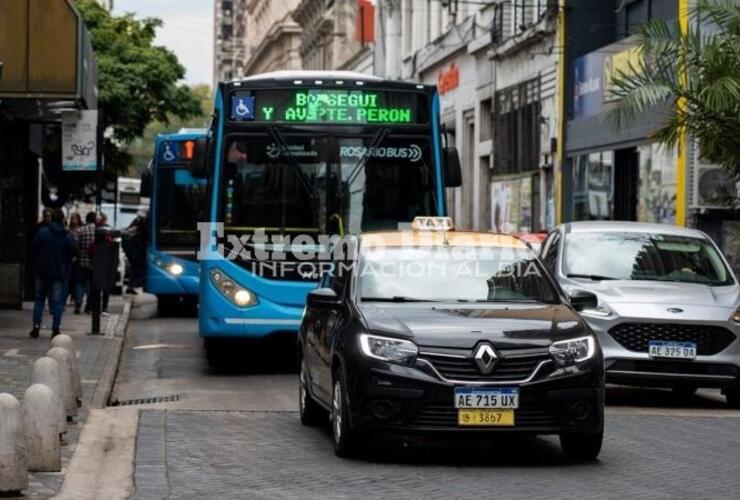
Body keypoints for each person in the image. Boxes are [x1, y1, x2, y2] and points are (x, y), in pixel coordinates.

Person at [29, 208, 73, 339]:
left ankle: (36, 327)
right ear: (62, 219)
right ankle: (55, 329)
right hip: (58, 273)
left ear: (51, 218)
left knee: (39, 300)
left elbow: (33, 249)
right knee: (57, 302)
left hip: (42, 271)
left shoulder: (42, 233)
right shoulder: (66, 236)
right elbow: (70, 253)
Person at [76, 212, 97, 314]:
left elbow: (76, 246)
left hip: (82, 262)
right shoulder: (97, 231)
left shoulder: (81, 230)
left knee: (80, 284)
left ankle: (78, 304)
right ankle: (89, 306)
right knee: (92, 285)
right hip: (94, 263)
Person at [122, 209, 148, 294]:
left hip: (135, 249)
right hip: (136, 250)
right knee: (138, 268)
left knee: (135, 268)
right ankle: (137, 286)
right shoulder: (139, 223)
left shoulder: (138, 222)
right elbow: (131, 232)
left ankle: (131, 286)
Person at [67, 212, 83, 309]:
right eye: (72, 218)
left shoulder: (80, 230)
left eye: (75, 219)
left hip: (78, 257)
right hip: (70, 257)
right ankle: (71, 296)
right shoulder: (69, 231)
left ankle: (74, 297)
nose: (74, 221)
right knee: (70, 278)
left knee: (76, 279)